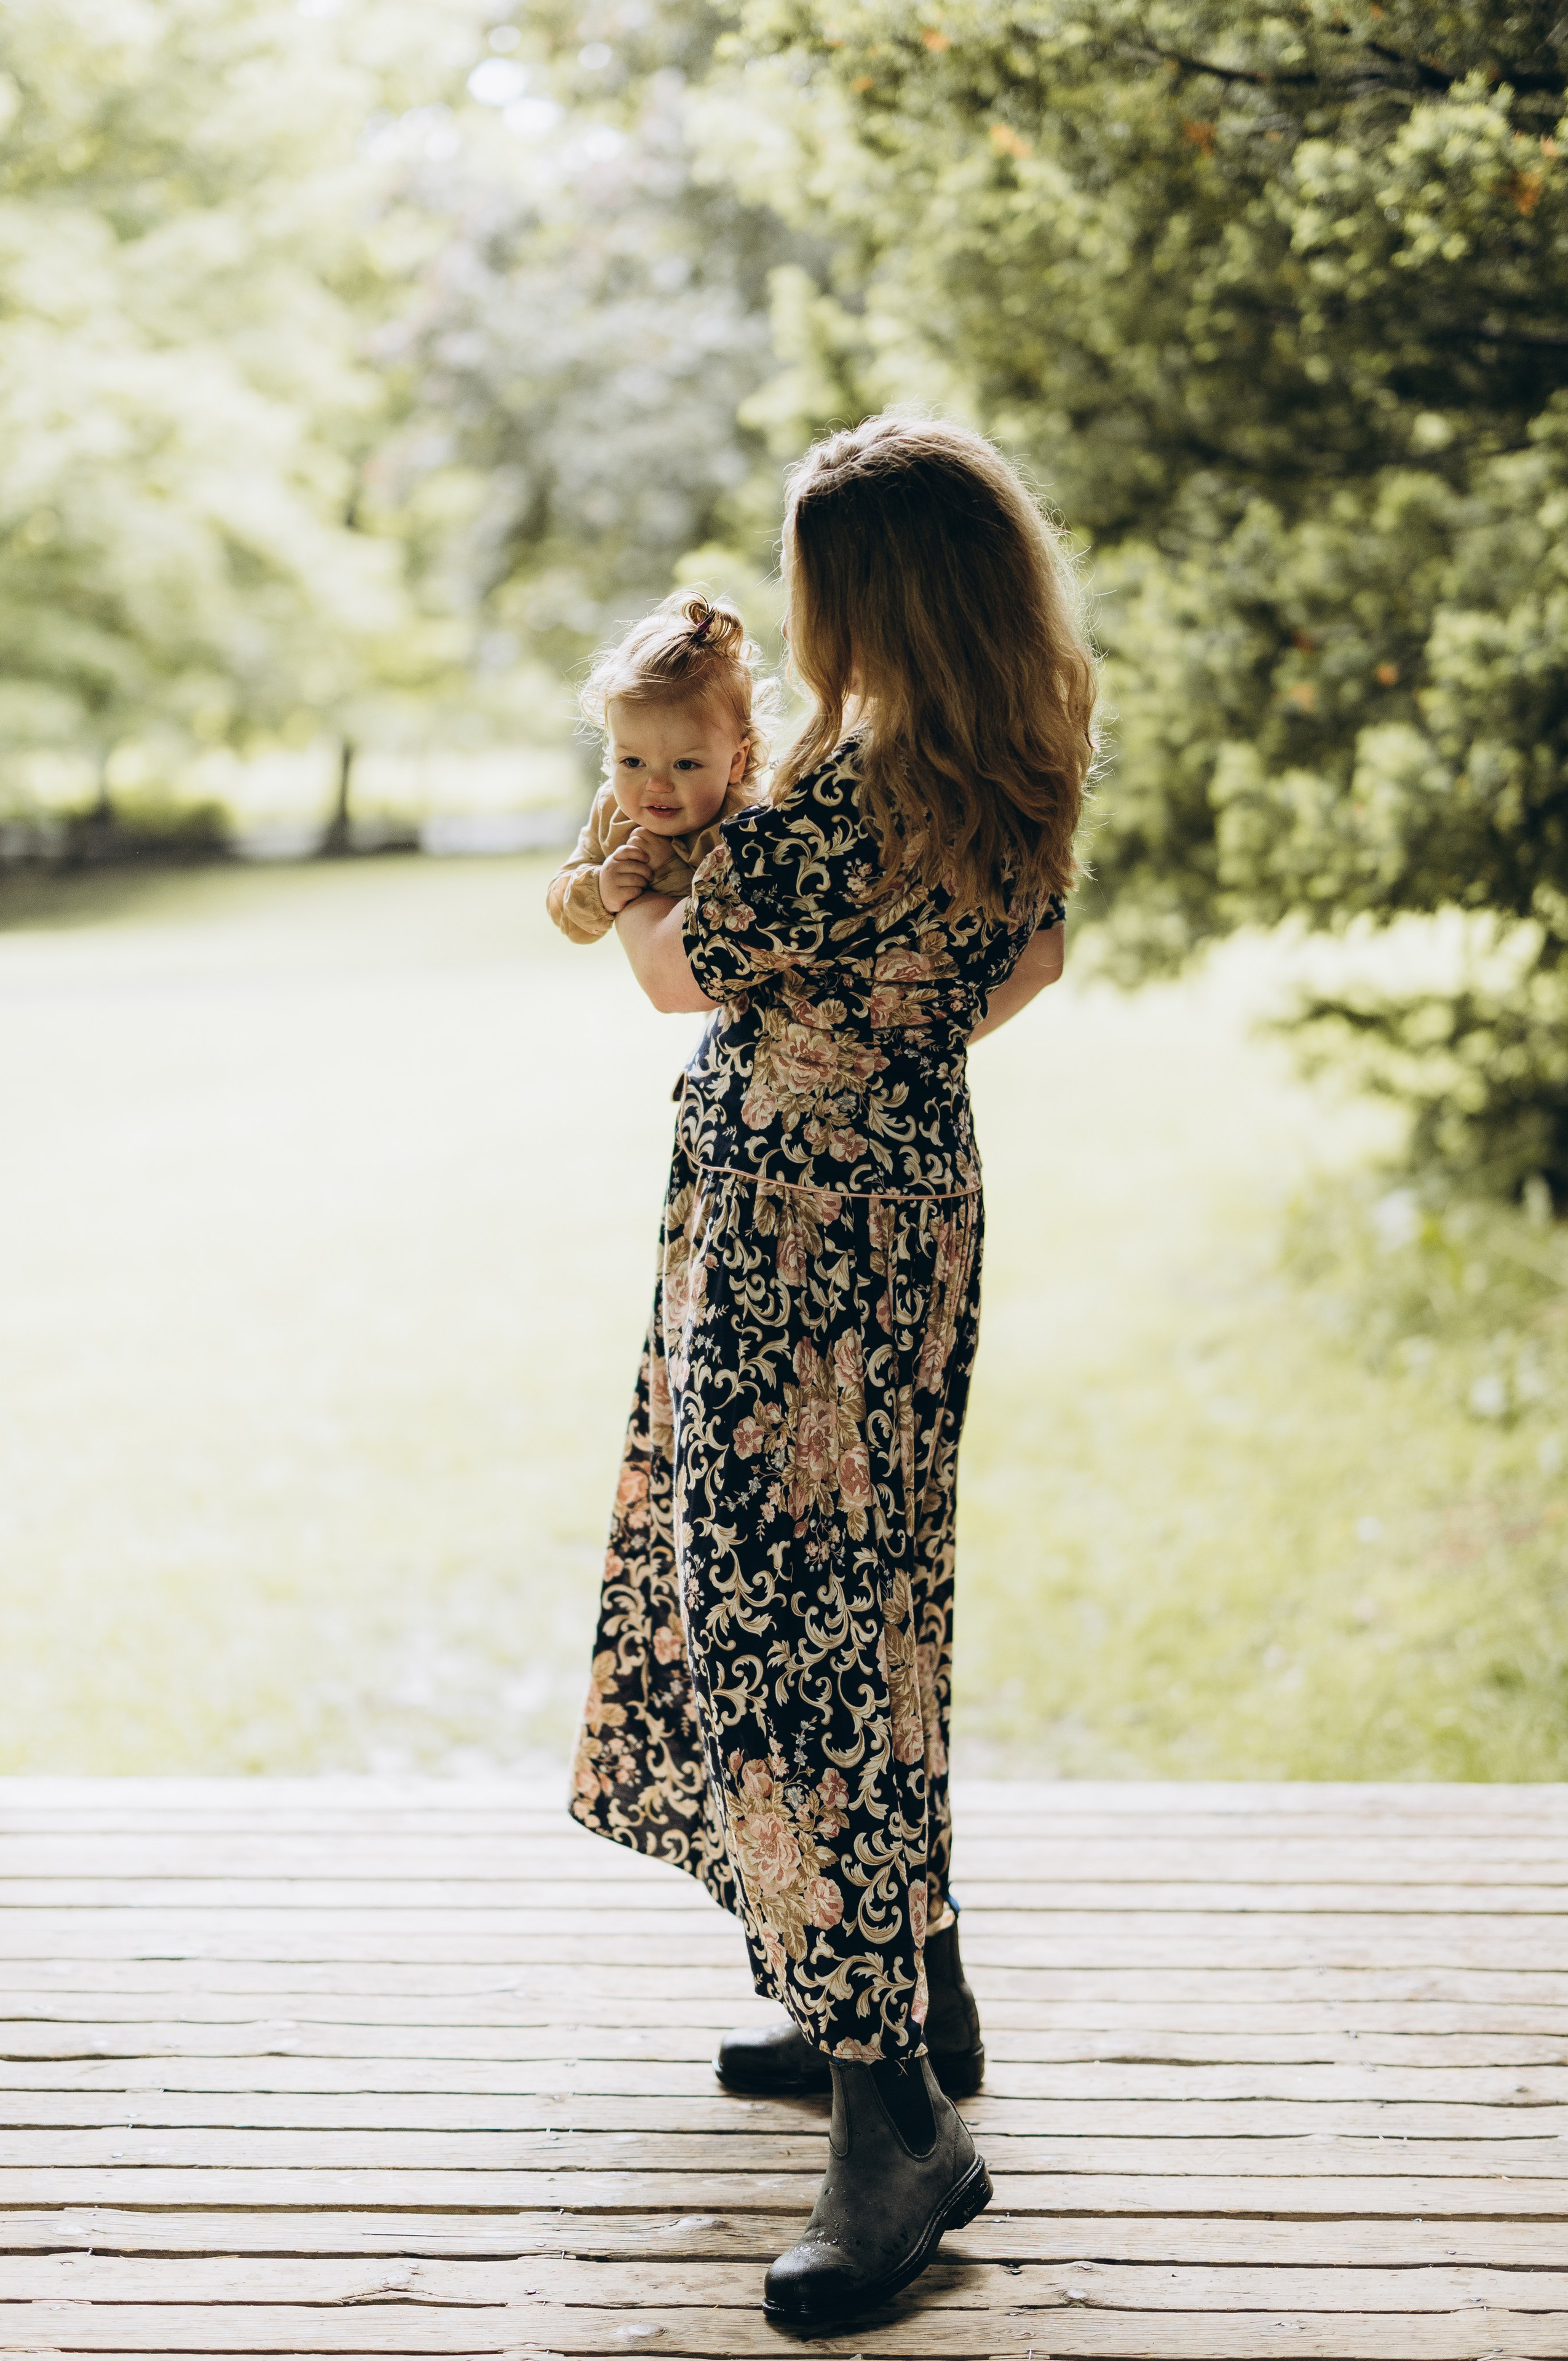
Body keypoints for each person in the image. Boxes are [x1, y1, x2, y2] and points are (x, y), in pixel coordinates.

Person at [568, 414, 1095, 2325]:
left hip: (793, 1231)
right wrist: (884, 1040)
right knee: (876, 1608)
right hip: (913, 1199)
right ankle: (905, 1979)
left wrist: (628, 866)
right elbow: (1024, 971)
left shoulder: (830, 804)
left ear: (863, 597)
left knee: (788, 1622)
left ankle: (900, 2126)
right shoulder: (1018, 758)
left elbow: (669, 971)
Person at [546, 591, 767, 945]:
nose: (658, 786)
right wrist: (601, 887)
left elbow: (750, 922)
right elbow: (562, 904)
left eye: (685, 764)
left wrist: (673, 867)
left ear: (735, 762)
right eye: (632, 762)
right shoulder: (612, 810)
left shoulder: (746, 822)